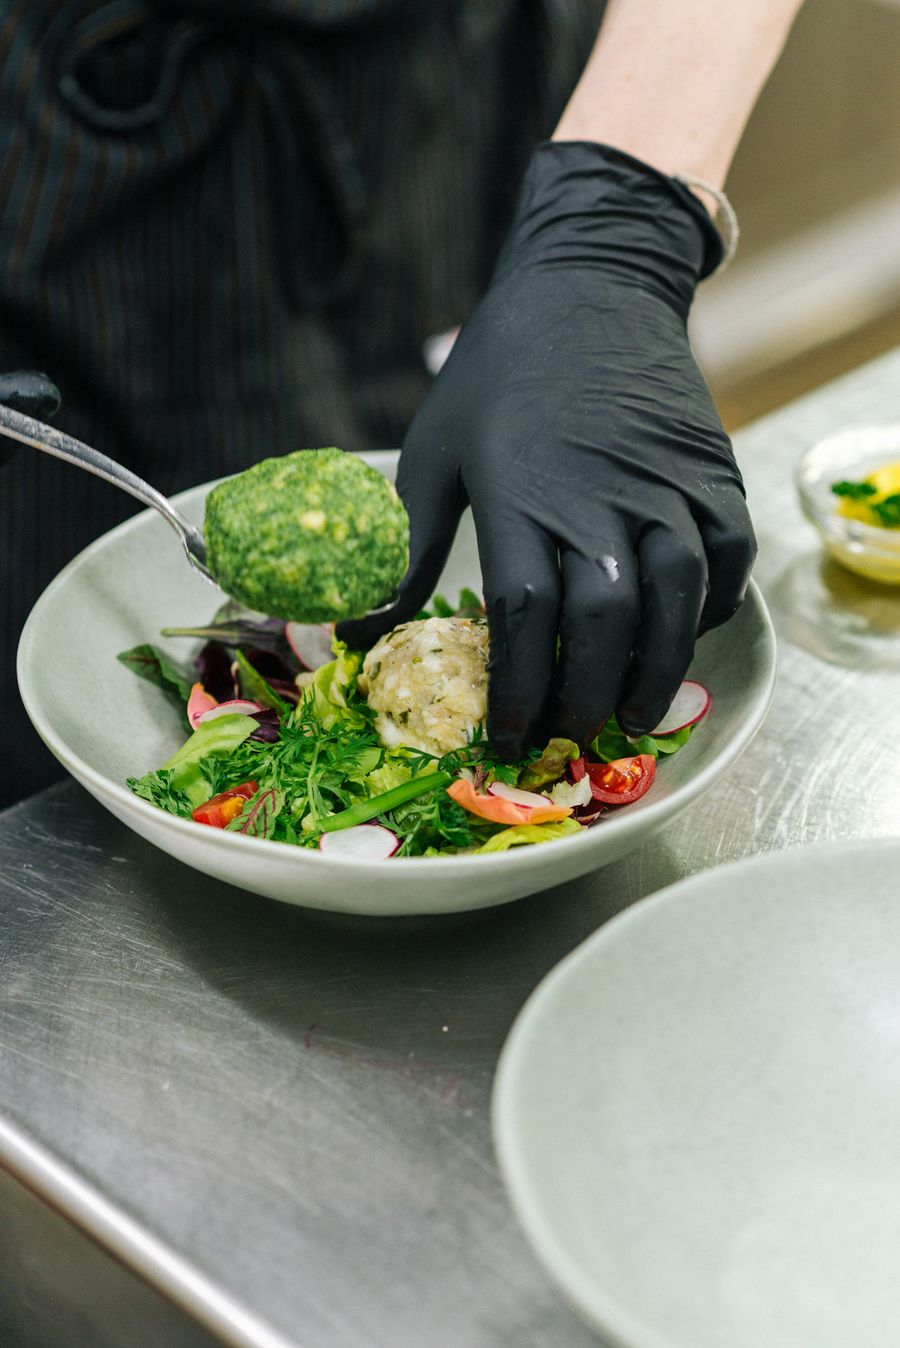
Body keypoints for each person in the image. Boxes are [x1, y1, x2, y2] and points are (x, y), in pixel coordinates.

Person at [0, 0, 803, 811]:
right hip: (61, 168)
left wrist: (617, 219)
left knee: (553, 538)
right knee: (55, 769)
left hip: (455, 102)